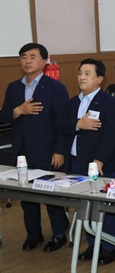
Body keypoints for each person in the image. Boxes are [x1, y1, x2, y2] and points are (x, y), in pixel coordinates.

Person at [0, 43, 70, 253]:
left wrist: (59, 151)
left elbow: (63, 123)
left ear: (44, 61)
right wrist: (19, 110)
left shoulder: (55, 88)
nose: (27, 61)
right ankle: (33, 234)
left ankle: (59, 234)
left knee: (51, 195)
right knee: (27, 197)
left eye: (32, 56)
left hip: (48, 150)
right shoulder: (14, 87)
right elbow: (4, 117)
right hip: (21, 150)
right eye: (23, 57)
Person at [55, 58, 115, 264]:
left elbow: (112, 135)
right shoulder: (72, 102)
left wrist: (99, 160)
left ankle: (110, 247)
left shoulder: (109, 102)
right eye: (80, 73)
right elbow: (60, 126)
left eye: (87, 73)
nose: (82, 77)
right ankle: (93, 245)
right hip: (77, 162)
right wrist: (78, 124)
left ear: (100, 79)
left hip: (100, 164)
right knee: (86, 208)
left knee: (105, 207)